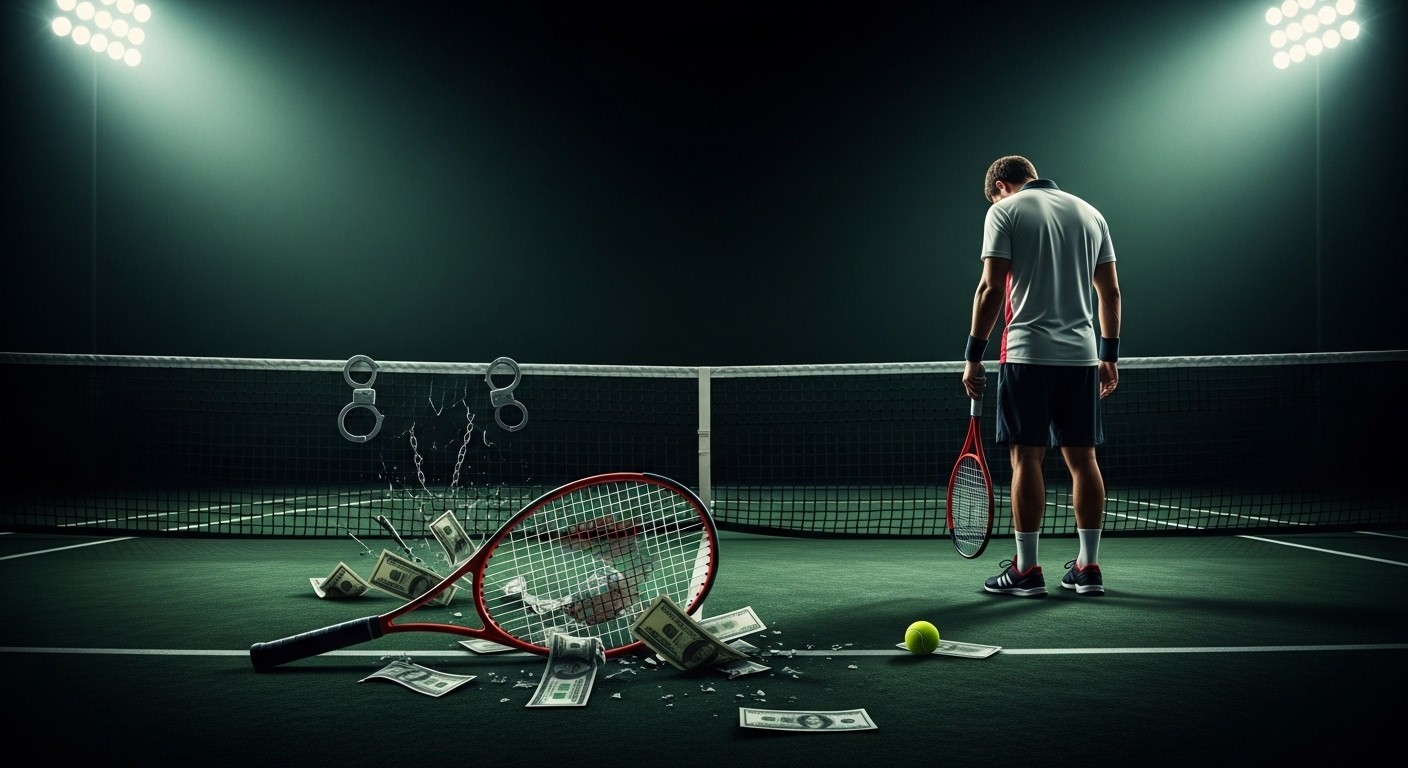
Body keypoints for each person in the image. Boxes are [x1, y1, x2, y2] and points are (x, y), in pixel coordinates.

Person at [961, 155, 1121, 598]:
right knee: (1083, 460)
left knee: (1026, 460)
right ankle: (1089, 568)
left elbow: (991, 288)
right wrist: (1109, 354)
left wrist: (973, 356)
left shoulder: (1004, 211)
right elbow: (1109, 290)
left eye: (993, 196)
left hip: (1026, 354)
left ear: (1001, 186)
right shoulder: (1091, 213)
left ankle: (1027, 570)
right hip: (1083, 357)